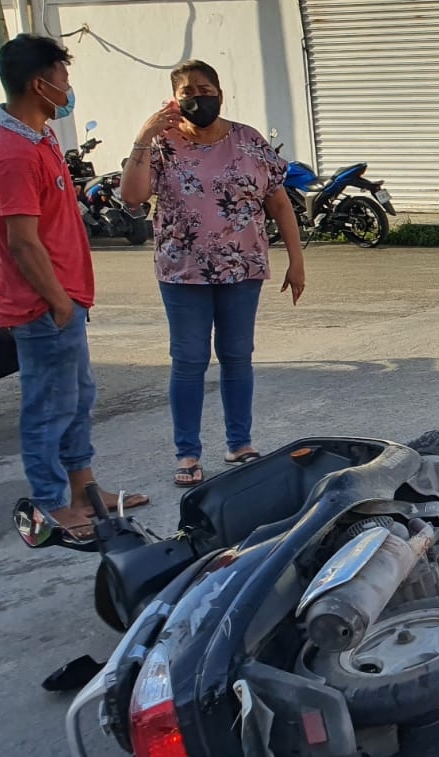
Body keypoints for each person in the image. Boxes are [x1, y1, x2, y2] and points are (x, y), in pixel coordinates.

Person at [119, 60, 307, 487]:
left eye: (205, 89)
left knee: (238, 355)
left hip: (243, 269)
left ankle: (240, 444)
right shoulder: (161, 144)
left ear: (220, 93)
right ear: (174, 98)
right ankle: (187, 453)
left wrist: (297, 260)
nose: (197, 98)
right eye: (187, 91)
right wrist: (144, 136)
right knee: (188, 360)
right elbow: (132, 195)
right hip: (182, 272)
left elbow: (278, 205)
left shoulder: (249, 140)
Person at [0, 34, 150, 536]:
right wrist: (58, 301)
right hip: (42, 304)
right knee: (47, 407)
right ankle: (49, 505)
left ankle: (86, 491)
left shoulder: (41, 138)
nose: (69, 87)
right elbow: (22, 241)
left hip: (65, 299)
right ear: (40, 85)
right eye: (63, 78)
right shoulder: (12, 153)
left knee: (78, 397)